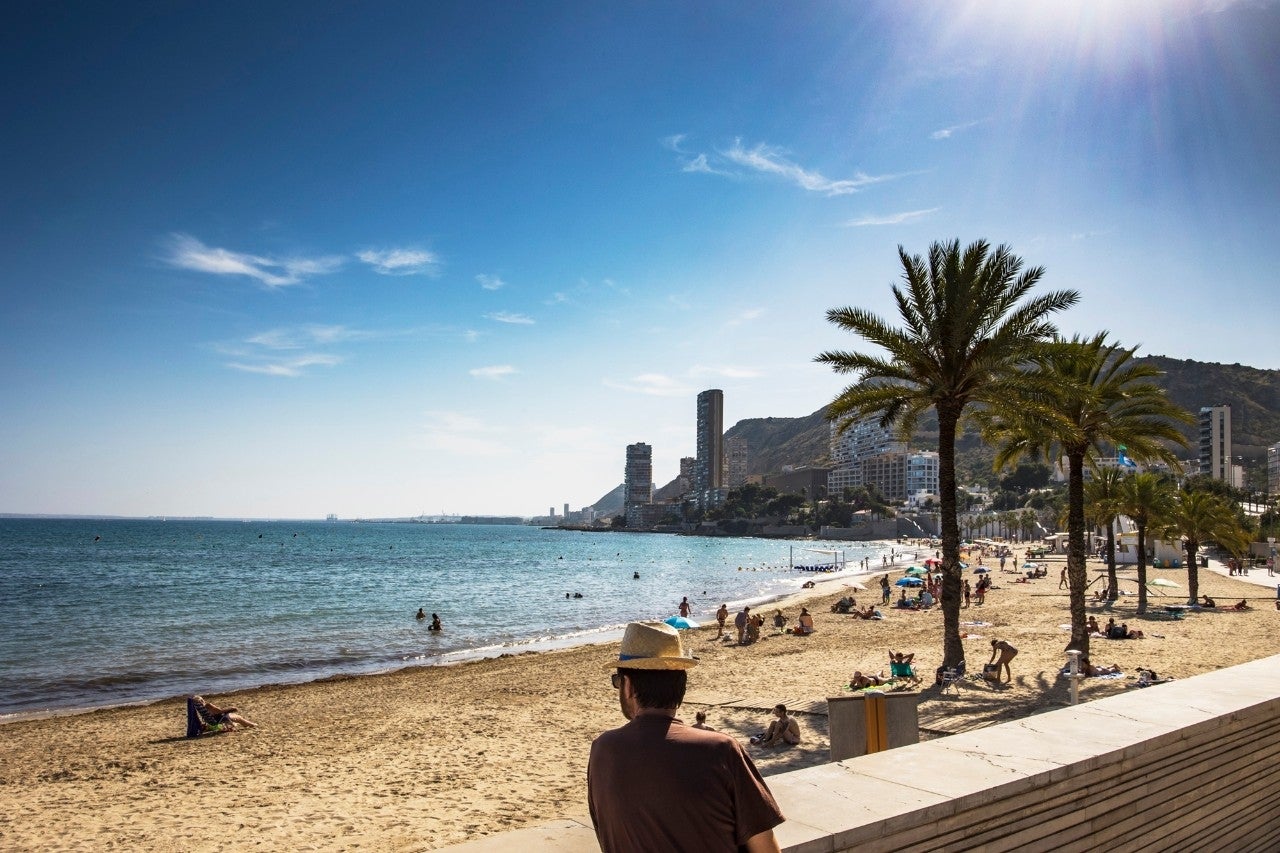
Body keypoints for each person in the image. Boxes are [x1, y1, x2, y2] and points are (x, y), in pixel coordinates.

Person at [588, 621, 784, 853]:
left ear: (628, 686)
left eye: (618, 682)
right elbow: (766, 848)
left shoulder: (602, 750)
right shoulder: (720, 750)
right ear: (681, 686)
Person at [186, 695, 258, 737]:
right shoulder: (208, 705)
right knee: (239, 718)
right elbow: (219, 711)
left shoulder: (200, 709)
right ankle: (251, 725)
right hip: (220, 719)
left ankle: (246, 724)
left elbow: (215, 713)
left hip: (213, 721)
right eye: (202, 699)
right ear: (202, 700)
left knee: (235, 717)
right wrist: (231, 708)